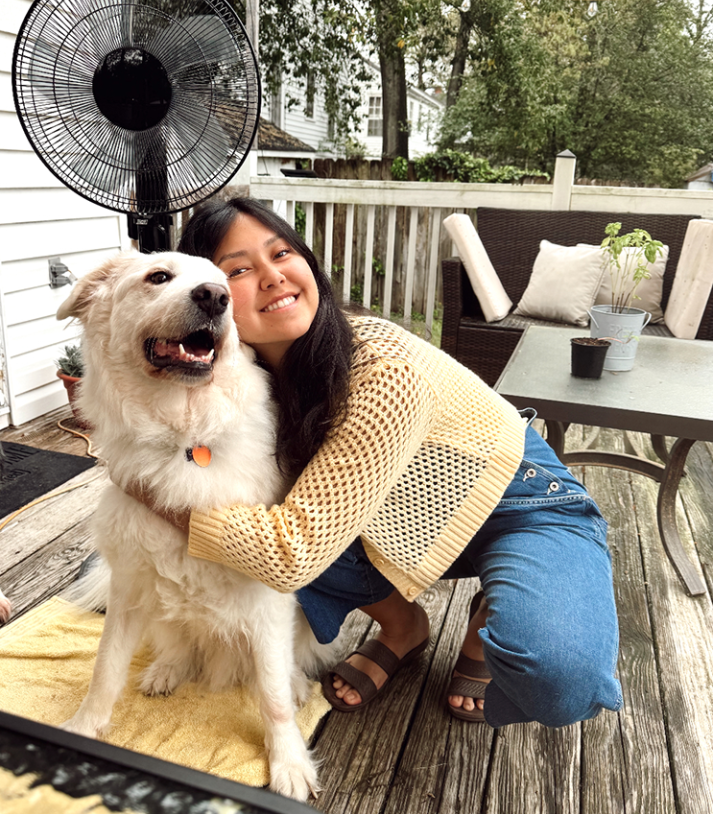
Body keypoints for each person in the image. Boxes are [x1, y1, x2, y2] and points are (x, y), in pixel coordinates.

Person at [131, 196, 622, 728]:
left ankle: (494, 613)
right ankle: (404, 626)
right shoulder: (239, 377)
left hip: (518, 503)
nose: (274, 277)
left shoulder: (381, 369)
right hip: (401, 518)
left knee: (557, 677)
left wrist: (146, 490)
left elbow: (289, 554)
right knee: (269, 515)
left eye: (282, 253)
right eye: (241, 270)